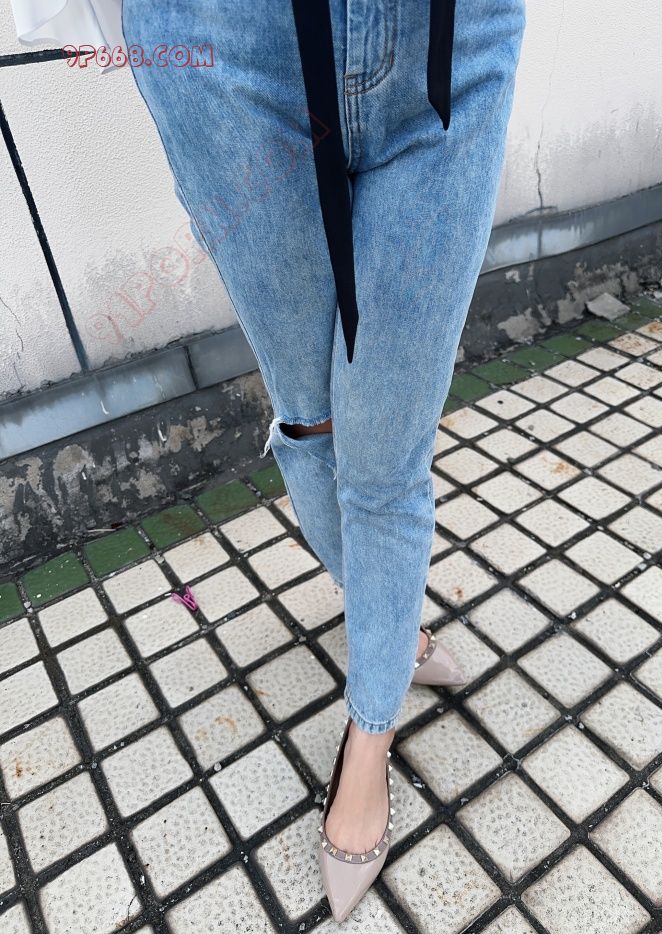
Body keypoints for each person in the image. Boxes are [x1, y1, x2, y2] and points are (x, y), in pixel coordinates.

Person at [121, 0, 525, 921]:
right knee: (310, 421)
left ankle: (369, 735)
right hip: (224, 42)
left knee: (385, 454)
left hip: (447, 38)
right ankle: (392, 626)